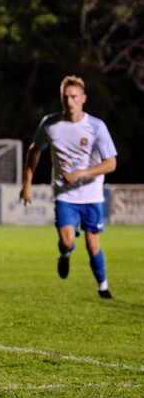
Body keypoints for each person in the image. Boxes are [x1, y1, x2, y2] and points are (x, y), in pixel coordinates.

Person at [20, 75, 118, 299]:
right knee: (67, 240)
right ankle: (65, 255)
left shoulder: (96, 126)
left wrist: (81, 174)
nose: (69, 101)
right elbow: (34, 151)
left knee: (93, 244)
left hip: (92, 195)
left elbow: (111, 163)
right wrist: (27, 183)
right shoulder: (50, 124)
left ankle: (103, 287)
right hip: (65, 195)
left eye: (74, 97)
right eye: (65, 97)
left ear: (83, 98)